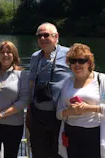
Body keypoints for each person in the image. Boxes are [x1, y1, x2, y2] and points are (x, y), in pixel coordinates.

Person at [56, 43, 105, 158]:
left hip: (95, 133)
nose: (76, 64)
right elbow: (58, 113)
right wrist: (70, 111)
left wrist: (89, 108)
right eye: (72, 60)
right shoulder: (67, 82)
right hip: (71, 133)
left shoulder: (102, 80)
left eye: (81, 61)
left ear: (89, 63)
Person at [27, 23, 71, 158]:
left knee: (60, 154)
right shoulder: (35, 57)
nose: (42, 38)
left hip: (60, 115)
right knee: (39, 153)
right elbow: (31, 83)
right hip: (38, 115)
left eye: (46, 35)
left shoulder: (69, 54)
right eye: (39, 36)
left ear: (56, 36)